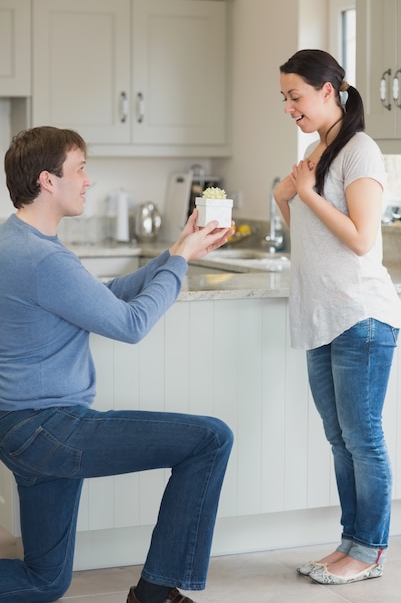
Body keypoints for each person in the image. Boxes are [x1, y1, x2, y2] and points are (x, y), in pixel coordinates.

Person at [0, 126, 234, 603]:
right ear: (48, 180)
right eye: (80, 168)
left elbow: (100, 300)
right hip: (49, 428)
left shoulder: (20, 241)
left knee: (45, 581)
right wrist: (180, 262)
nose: (88, 180)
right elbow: (130, 325)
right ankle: (155, 595)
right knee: (210, 439)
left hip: (23, 428)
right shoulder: (43, 259)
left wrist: (174, 254)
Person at [274, 50, 401, 586]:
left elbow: (359, 239)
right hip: (321, 315)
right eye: (284, 98)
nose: (289, 107)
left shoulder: (361, 150)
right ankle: (349, 542)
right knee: (339, 437)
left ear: (328, 91)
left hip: (360, 316)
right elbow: (309, 231)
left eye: (295, 96)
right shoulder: (315, 149)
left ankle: (370, 549)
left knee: (363, 437)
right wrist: (286, 199)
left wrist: (302, 191)